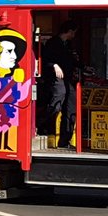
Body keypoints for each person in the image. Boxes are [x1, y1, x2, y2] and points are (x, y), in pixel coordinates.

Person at [40, 20, 80, 148]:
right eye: (74, 32)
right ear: (69, 31)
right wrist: (54, 65)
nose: (74, 35)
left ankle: (64, 140)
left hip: (68, 80)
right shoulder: (52, 43)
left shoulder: (67, 44)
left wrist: (84, 67)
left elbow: (72, 60)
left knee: (71, 108)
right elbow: (44, 60)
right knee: (57, 102)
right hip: (56, 80)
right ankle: (40, 125)